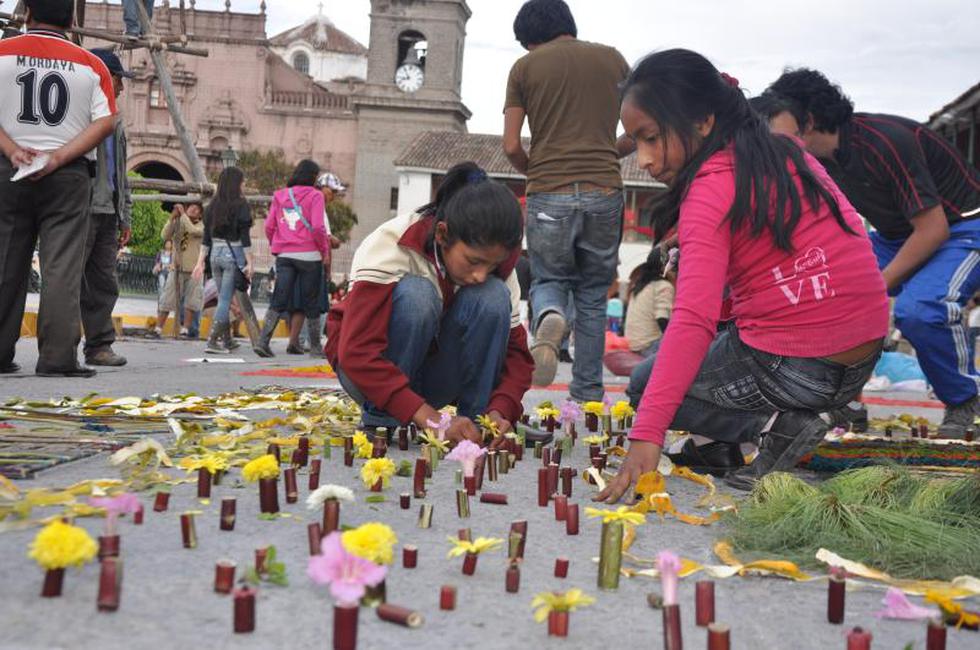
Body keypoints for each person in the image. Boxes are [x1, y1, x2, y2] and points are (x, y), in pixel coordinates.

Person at [595, 49, 889, 501]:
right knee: (698, 360)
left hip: (798, 365)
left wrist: (647, 433)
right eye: (636, 144)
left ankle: (777, 427)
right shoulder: (784, 152)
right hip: (862, 357)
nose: (646, 161)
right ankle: (722, 447)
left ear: (703, 122)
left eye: (652, 138)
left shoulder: (710, 188)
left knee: (645, 386)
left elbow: (694, 320)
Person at [768, 69, 980, 438]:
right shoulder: (814, 162)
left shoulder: (884, 141)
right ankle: (845, 405)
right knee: (826, 296)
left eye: (777, 120)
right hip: (898, 234)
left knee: (920, 309)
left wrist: (873, 288)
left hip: (962, 227)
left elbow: (932, 229)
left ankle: (967, 401)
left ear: (809, 119)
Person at [326, 162, 533, 443]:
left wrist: (500, 408)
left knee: (493, 295)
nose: (480, 274)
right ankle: (381, 420)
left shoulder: (498, 269)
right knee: (417, 296)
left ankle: (475, 423)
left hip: (436, 380)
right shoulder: (391, 244)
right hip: (368, 378)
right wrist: (432, 419)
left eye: (492, 264)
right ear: (442, 234)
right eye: (473, 261)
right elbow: (357, 353)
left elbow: (518, 356)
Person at [503, 0, 633, 398]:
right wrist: (607, 152)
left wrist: (538, 169)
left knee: (550, 279)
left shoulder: (525, 68)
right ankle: (588, 394)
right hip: (604, 190)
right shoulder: (613, 60)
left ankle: (551, 315)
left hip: (549, 190)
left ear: (530, 39)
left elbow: (510, 146)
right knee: (594, 293)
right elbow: (639, 129)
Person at [0, 0, 118, 377]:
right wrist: (57, 157)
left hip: (8, 169)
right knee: (62, 268)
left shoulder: (2, 52)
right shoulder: (92, 65)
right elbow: (106, 123)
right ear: (72, 19)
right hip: (66, 175)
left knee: (5, 261)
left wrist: (14, 150)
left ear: (27, 13)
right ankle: (56, 358)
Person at [80, 49, 133, 368]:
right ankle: (59, 344)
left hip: (109, 209)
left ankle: (99, 345)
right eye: (117, 79)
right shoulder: (82, 112)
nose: (122, 87)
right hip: (83, 206)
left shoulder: (116, 121)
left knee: (104, 281)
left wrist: (124, 212)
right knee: (69, 279)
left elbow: (121, 172)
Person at [254, 160, 330, 358]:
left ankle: (263, 342)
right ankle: (315, 348)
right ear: (313, 177)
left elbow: (270, 226)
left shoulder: (280, 195)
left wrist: (277, 244)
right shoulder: (316, 196)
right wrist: (324, 251)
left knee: (279, 298)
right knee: (310, 301)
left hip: (285, 255)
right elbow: (318, 228)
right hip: (310, 255)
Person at [192, 167, 253, 354]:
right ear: (236, 184)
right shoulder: (241, 205)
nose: (243, 185)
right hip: (232, 253)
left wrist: (199, 262)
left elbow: (206, 238)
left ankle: (227, 340)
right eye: (241, 181)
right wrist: (249, 261)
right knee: (225, 299)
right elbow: (244, 237)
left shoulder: (212, 207)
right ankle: (212, 341)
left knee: (222, 297)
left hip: (214, 256)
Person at [288, 171, 344, 355]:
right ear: (322, 188)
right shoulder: (317, 204)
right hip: (315, 260)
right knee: (318, 305)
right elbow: (321, 233)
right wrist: (331, 242)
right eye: (333, 191)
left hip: (305, 258)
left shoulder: (312, 205)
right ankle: (310, 341)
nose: (334, 196)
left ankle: (302, 340)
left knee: (307, 303)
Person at [155, 202, 204, 337]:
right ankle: (158, 328)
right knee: (167, 298)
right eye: (191, 207)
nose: (193, 210)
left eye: (197, 209)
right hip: (176, 268)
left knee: (191, 302)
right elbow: (164, 236)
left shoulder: (201, 226)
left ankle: (185, 330)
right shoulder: (179, 222)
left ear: (200, 214)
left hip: (194, 269)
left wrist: (182, 215)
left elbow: (192, 230)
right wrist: (172, 218)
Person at [623, 257, 675, 357]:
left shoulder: (638, 285)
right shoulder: (663, 286)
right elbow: (662, 318)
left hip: (632, 343)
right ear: (664, 266)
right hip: (650, 345)